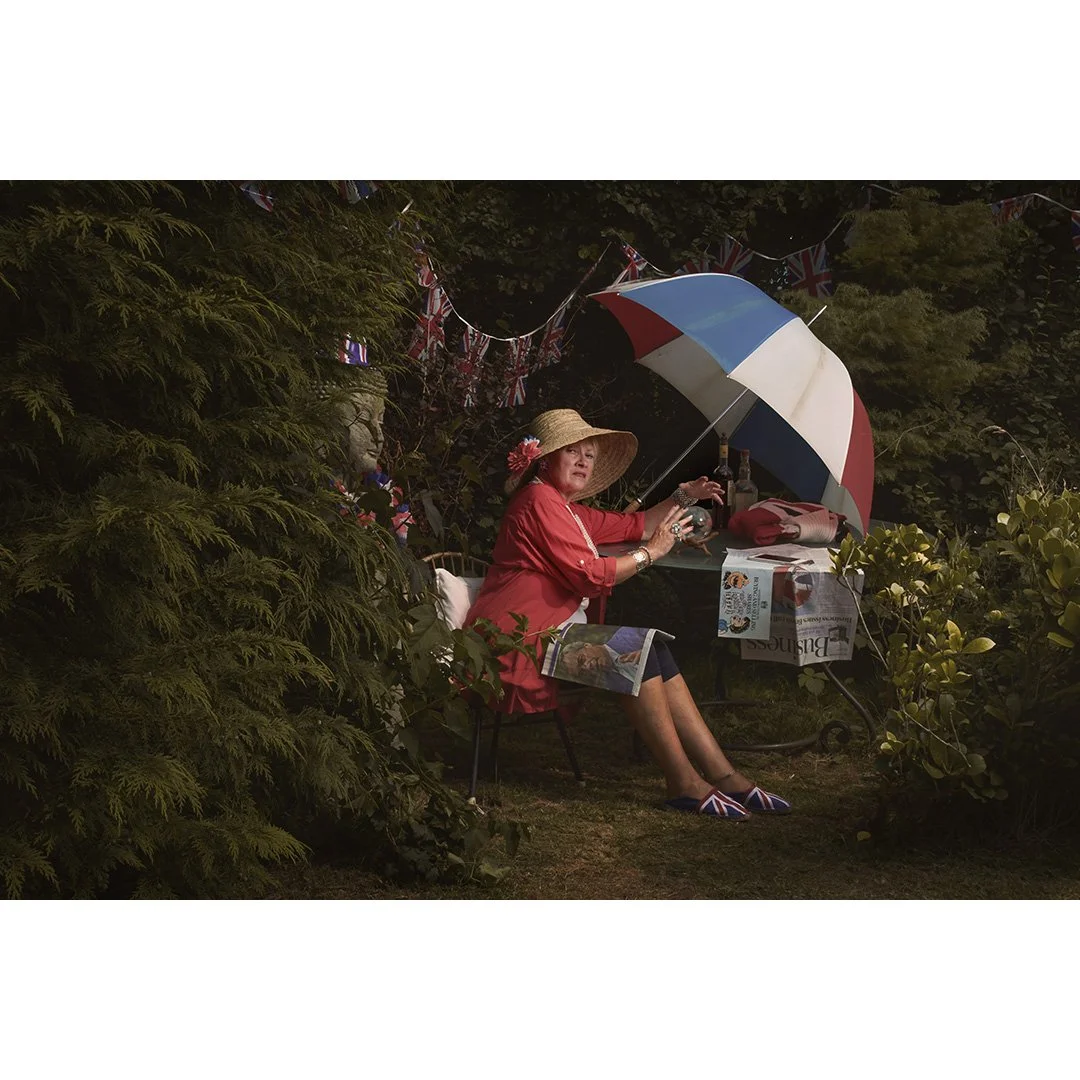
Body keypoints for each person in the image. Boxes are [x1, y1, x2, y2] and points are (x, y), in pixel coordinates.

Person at [464, 408, 791, 820]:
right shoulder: (537, 500)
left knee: (654, 651)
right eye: (573, 452)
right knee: (634, 651)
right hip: (517, 639)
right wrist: (650, 553)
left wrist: (684, 496)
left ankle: (722, 774)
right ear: (545, 459)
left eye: (590, 455)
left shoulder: (566, 509)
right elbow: (591, 574)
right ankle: (683, 782)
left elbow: (635, 524)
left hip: (547, 632)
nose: (584, 461)